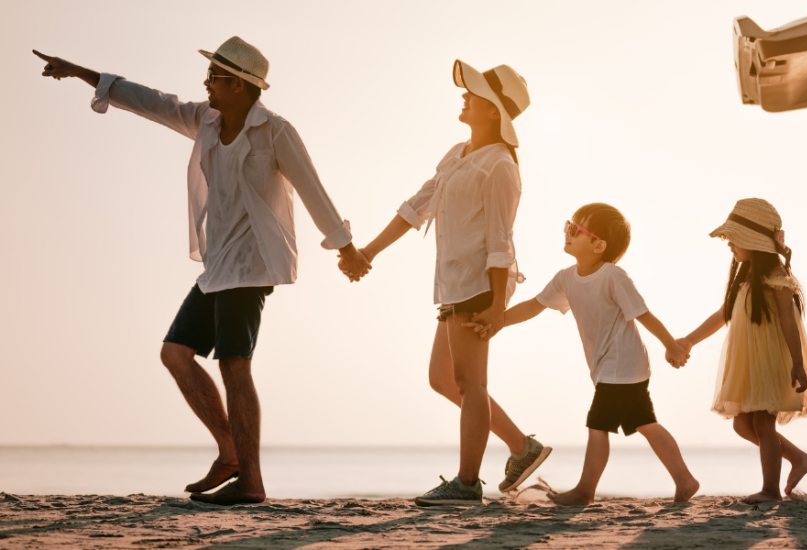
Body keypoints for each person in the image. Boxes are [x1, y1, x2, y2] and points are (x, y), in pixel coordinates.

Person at [33, 37, 371, 505]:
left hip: (252, 264)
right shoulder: (205, 120)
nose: (206, 83)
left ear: (239, 85)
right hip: (218, 266)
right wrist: (80, 72)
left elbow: (313, 189)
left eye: (214, 76)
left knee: (235, 365)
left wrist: (346, 249)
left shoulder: (276, 131)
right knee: (175, 353)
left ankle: (251, 482)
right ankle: (230, 453)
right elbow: (151, 102)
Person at [346, 60, 550, 506]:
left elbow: (500, 241)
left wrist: (496, 307)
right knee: (442, 378)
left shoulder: (500, 166)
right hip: (455, 283)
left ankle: (467, 483)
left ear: (493, 110)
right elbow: (416, 206)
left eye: (473, 93)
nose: (464, 96)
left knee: (470, 382)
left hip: (480, 285)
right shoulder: (458, 153)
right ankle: (522, 447)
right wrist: (368, 252)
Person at [470, 203, 699, 505]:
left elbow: (643, 314)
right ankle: (685, 480)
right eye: (569, 225)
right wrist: (497, 321)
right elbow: (535, 305)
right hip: (616, 368)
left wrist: (671, 345)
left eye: (576, 229)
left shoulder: (613, 276)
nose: (568, 232)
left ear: (598, 245)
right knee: (646, 423)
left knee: (598, 425)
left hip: (620, 365)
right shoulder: (566, 278)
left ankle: (585, 490)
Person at [676, 198, 807, 504]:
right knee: (742, 424)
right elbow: (724, 314)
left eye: (734, 238)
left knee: (762, 422)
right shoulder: (745, 275)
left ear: (754, 242)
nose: (729, 244)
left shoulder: (777, 275)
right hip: (749, 361)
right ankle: (800, 458)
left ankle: (770, 490)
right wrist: (689, 341)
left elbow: (789, 321)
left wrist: (798, 363)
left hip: (771, 360)